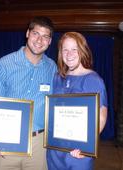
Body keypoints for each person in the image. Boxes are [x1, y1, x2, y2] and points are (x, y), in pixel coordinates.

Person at [0, 16, 57, 170]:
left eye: (45, 36)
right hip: (6, 142)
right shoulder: (3, 65)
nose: (39, 40)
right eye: (35, 34)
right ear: (27, 33)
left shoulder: (52, 68)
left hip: (38, 145)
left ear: (50, 41)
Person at [47, 32, 108, 170]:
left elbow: (101, 117)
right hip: (55, 150)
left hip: (77, 153)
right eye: (65, 50)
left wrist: (86, 146)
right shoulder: (57, 78)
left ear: (82, 50)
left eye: (74, 49)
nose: (69, 54)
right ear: (60, 53)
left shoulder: (92, 79)